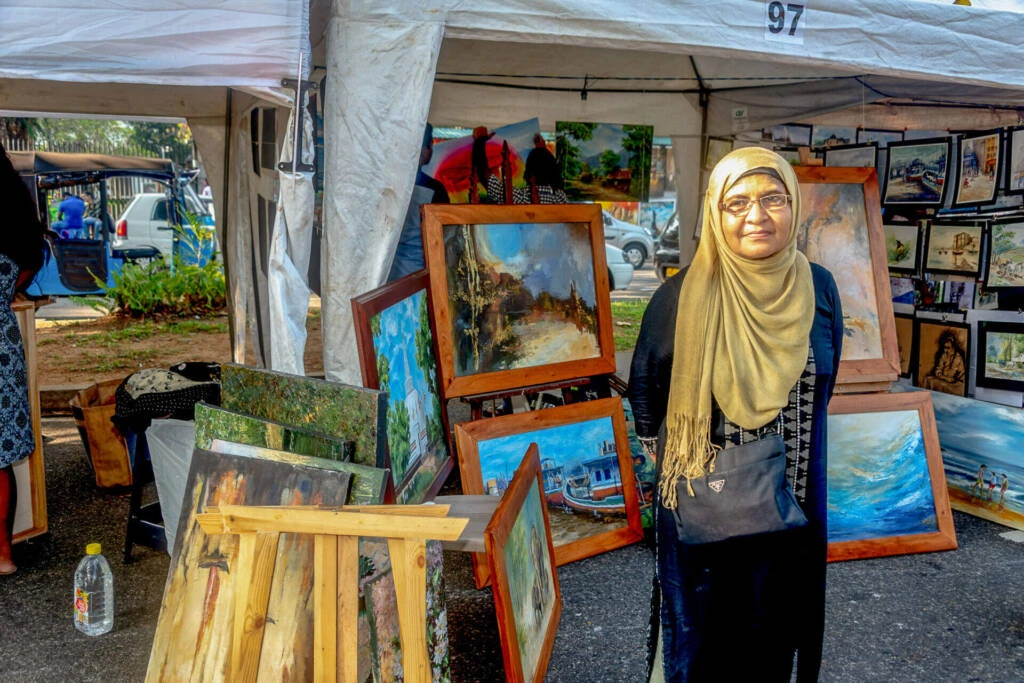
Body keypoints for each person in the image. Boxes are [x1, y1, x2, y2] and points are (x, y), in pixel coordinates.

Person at [628, 147, 844, 681]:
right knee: (706, 638)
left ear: (794, 205)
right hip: (709, 511)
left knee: (776, 632)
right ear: (715, 214)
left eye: (773, 199)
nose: (756, 216)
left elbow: (825, 382)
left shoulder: (819, 288)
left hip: (791, 503)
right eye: (737, 202)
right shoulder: (680, 296)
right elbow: (647, 395)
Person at [0, 145, 46, 575]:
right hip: (1, 344)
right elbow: (28, 264)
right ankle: (3, 555)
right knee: (0, 453)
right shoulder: (13, 205)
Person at [388, 123, 450, 281]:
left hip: (386, 278)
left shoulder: (387, 185)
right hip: (421, 278)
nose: (431, 150)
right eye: (430, 145)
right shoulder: (434, 190)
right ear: (422, 149)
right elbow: (444, 239)